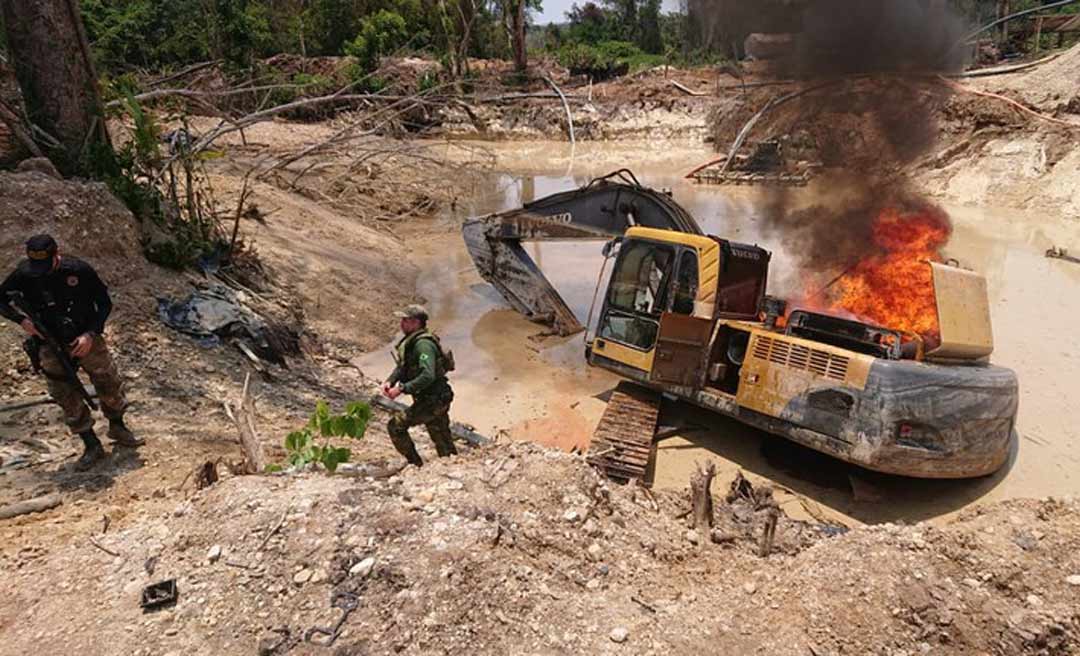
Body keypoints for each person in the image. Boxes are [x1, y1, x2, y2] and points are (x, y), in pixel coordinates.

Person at [0, 234, 142, 471]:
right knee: (63, 392)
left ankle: (117, 426)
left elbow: (104, 303)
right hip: (49, 341)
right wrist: (21, 320)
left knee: (108, 382)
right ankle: (90, 444)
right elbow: (1, 300)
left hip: (85, 336)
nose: (41, 271)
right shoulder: (25, 274)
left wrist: (90, 334)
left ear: (57, 254)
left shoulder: (78, 271)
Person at [381, 304, 455, 467]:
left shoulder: (423, 345)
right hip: (433, 397)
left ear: (416, 323)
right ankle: (451, 463)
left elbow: (427, 375)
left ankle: (415, 464)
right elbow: (403, 367)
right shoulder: (412, 342)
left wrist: (401, 389)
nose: (401, 324)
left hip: (434, 399)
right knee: (440, 435)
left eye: (406, 320)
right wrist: (390, 381)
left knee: (395, 426)